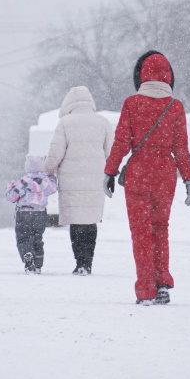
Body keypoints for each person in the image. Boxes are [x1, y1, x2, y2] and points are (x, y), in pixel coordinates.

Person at [103, 51, 190, 305]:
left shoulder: (132, 104)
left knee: (141, 232)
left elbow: (122, 142)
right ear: (169, 77)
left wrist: (110, 171)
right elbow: (181, 148)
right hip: (166, 175)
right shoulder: (175, 107)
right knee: (160, 229)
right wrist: (189, 180)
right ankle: (162, 282)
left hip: (138, 174)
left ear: (141, 76)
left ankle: (145, 290)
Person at [44, 86, 114, 275]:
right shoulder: (103, 122)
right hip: (95, 179)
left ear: (69, 103)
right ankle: (87, 262)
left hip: (71, 180)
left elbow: (55, 152)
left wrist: (47, 169)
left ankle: (79, 263)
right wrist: (111, 174)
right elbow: (111, 153)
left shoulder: (65, 123)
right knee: (89, 221)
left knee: (76, 222)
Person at [5, 155, 58, 274]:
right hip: (40, 214)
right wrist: (52, 176)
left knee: (24, 238)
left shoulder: (23, 181)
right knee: (37, 238)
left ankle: (27, 255)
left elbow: (11, 197)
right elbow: (54, 188)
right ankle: (38, 265)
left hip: (24, 214)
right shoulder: (46, 182)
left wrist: (10, 186)